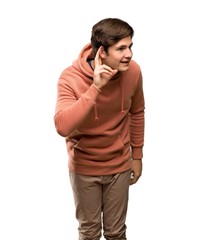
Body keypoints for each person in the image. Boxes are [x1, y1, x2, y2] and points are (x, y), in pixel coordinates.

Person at [54, 17, 145, 240]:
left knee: (116, 233)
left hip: (119, 165)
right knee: (89, 232)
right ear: (102, 52)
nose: (129, 54)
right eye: (121, 48)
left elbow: (137, 112)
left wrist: (137, 155)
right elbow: (62, 126)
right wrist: (96, 88)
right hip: (84, 167)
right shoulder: (70, 77)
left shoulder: (133, 71)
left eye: (130, 46)